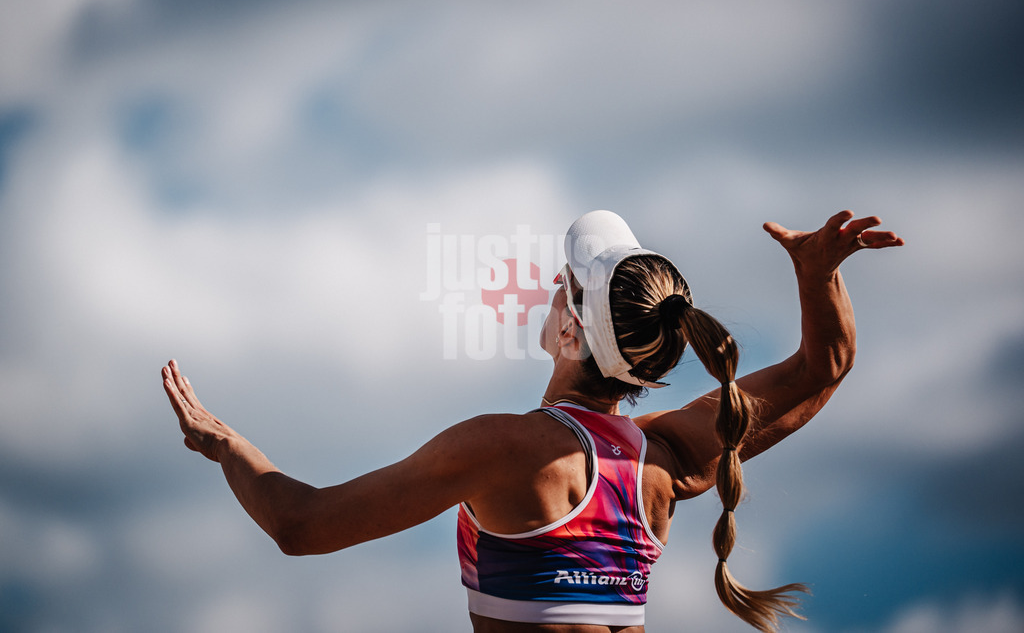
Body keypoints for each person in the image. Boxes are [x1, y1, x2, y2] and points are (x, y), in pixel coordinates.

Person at [163, 209, 903, 632]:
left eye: (563, 286)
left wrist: (228, 445)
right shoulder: (668, 457)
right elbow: (819, 369)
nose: (550, 288)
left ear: (574, 332)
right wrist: (819, 275)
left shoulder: (508, 448)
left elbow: (302, 524)